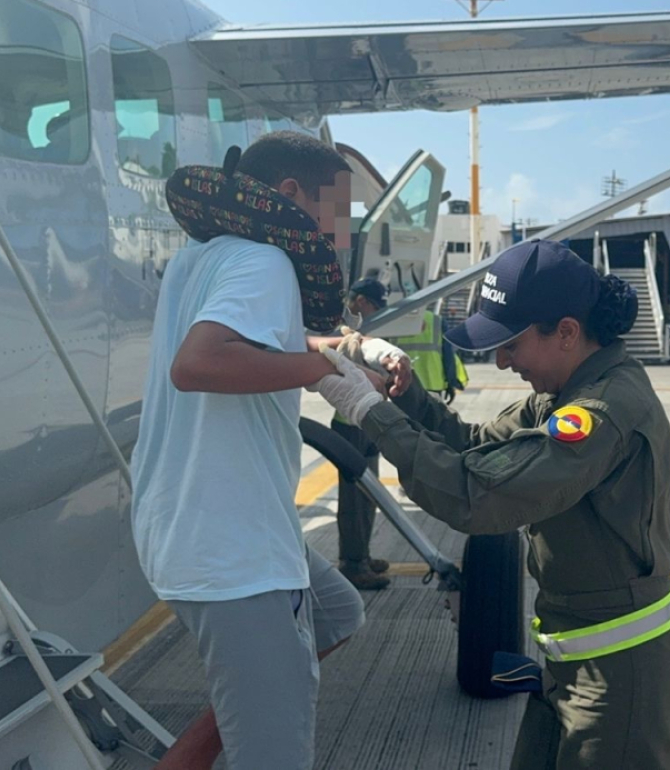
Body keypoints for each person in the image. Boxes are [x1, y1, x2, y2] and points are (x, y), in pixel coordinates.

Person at [316, 240, 670, 770]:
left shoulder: (601, 411)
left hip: (622, 684)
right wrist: (404, 395)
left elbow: (479, 498)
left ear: (566, 332)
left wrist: (368, 413)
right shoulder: (565, 389)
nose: (500, 360)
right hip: (576, 667)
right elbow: (475, 445)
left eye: (511, 344)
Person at [130, 131, 408, 770]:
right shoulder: (267, 262)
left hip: (186, 520)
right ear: (290, 195)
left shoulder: (201, 257)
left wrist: (343, 356)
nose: (340, 232)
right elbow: (199, 364)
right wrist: (321, 375)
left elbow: (261, 343)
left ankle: (192, 752)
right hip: (233, 547)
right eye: (336, 212)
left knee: (336, 612)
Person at [333, 277, 393, 590]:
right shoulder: (344, 328)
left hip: (365, 418)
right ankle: (353, 563)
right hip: (350, 421)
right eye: (372, 304)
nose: (375, 310)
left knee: (369, 493)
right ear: (360, 301)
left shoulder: (362, 327)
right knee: (356, 498)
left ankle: (362, 556)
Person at [394, 305, 469, 404]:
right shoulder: (437, 321)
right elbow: (448, 356)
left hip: (403, 383)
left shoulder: (393, 321)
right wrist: (451, 382)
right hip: (433, 382)